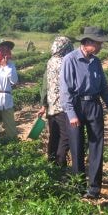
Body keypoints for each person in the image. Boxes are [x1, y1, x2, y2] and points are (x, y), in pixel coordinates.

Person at [60, 26, 108, 198]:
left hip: (94, 105)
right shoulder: (70, 60)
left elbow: (104, 88)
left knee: (97, 147)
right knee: (77, 147)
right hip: (76, 105)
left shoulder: (96, 62)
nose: (101, 46)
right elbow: (65, 90)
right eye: (98, 43)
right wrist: (71, 114)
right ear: (87, 42)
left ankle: (94, 189)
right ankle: (78, 187)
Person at [38, 36, 74, 167]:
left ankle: (51, 163)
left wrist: (43, 104)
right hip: (64, 107)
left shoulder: (51, 61)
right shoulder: (67, 62)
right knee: (66, 136)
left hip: (52, 106)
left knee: (54, 136)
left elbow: (45, 84)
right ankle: (60, 162)